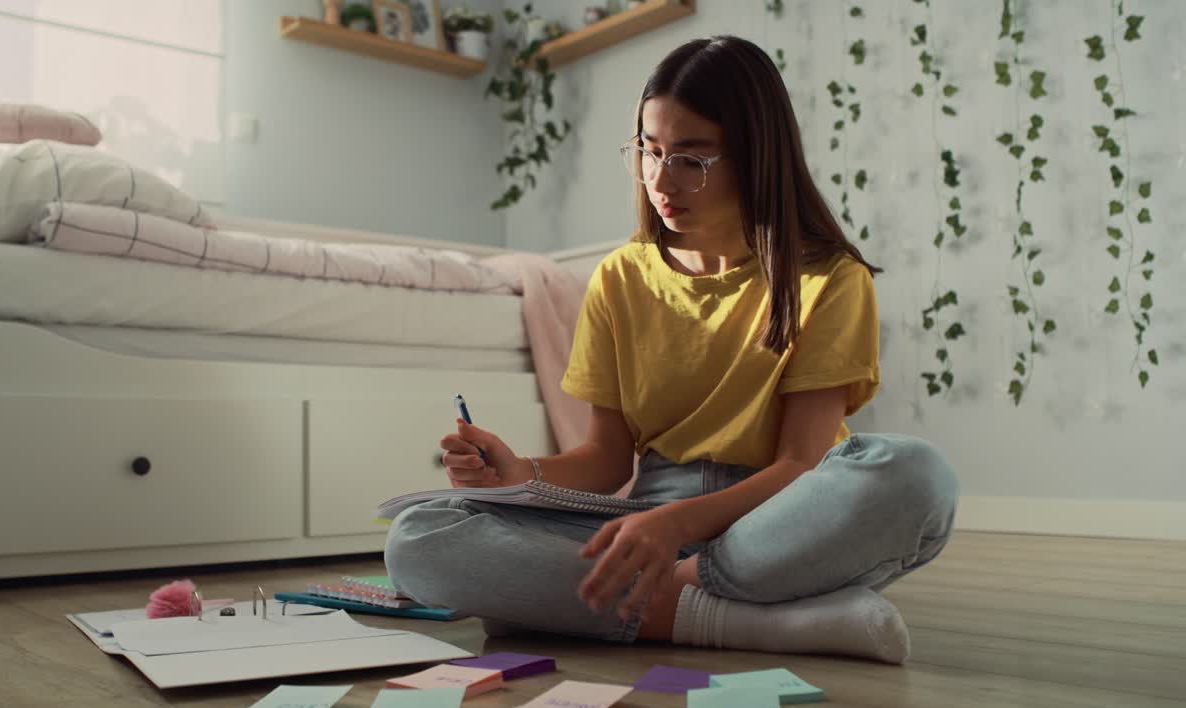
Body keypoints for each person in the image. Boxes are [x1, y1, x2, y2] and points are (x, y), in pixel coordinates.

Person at [385, 35, 958, 665]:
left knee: (917, 475)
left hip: (776, 520)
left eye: (692, 159)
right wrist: (516, 472)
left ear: (753, 155)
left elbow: (801, 463)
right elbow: (606, 462)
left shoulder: (827, 278)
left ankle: (631, 606)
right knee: (422, 536)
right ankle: (740, 617)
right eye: (650, 152)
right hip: (650, 521)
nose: (661, 179)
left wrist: (681, 527)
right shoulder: (620, 277)